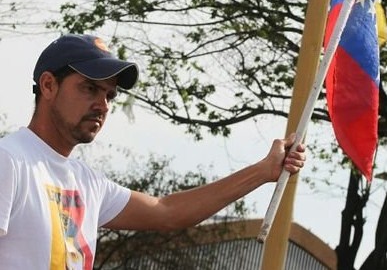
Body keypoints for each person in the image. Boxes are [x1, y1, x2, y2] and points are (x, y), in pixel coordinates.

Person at [0, 34, 306, 269]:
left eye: (109, 94)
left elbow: (167, 212)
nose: (102, 105)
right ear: (49, 85)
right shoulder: (9, 160)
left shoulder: (87, 182)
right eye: (89, 88)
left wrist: (264, 170)